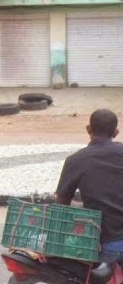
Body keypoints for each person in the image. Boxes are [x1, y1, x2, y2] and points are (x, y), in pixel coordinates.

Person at [56, 109, 123, 261]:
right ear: (116, 132)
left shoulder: (75, 160)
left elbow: (62, 202)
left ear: (89, 129)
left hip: (104, 243)